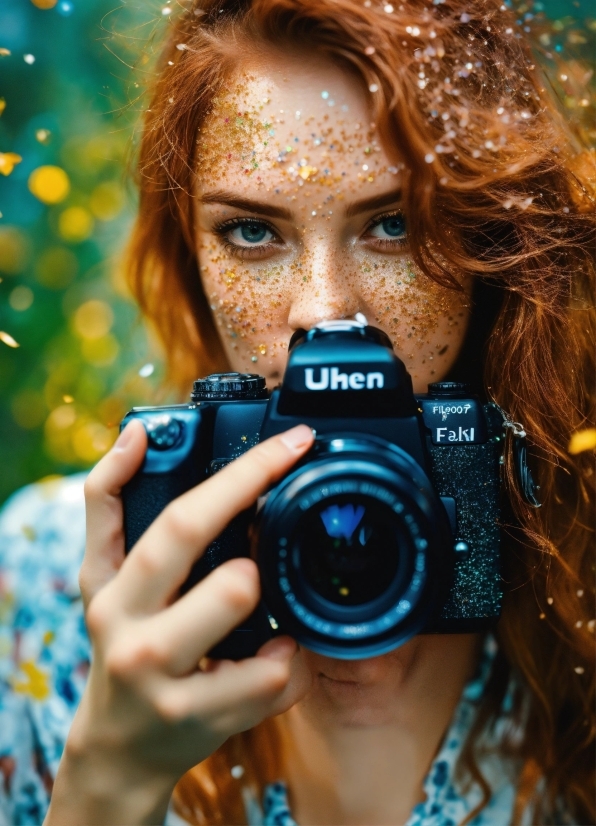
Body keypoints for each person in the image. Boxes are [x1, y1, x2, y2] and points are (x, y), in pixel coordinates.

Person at [0, 0, 594, 824]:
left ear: (490, 240)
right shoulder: (41, 587)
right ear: (189, 253)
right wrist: (106, 780)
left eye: (395, 223)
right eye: (251, 232)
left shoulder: (583, 580)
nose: (322, 310)